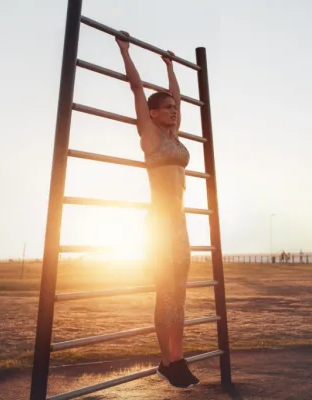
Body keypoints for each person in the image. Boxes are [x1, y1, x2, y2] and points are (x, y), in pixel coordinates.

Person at [116, 32, 199, 389]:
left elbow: (178, 96)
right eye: (167, 107)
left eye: (174, 108)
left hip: (180, 225)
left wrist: (170, 66)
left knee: (178, 295)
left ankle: (177, 359)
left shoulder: (176, 137)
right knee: (164, 292)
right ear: (153, 113)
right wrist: (125, 51)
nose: (173, 110)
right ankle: (167, 359)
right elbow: (136, 90)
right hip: (160, 225)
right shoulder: (150, 135)